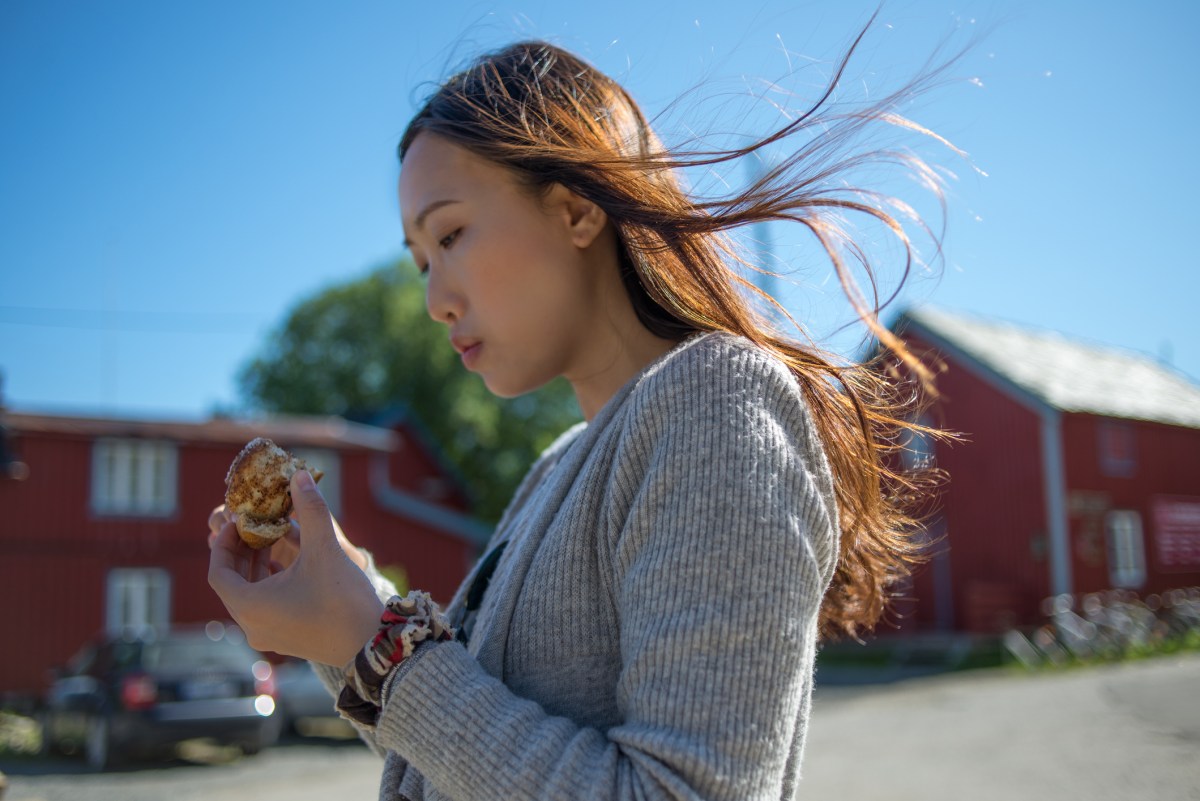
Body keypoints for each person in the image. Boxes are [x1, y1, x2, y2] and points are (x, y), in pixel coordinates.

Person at [208, 31, 950, 801]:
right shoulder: (557, 464)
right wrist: (339, 611)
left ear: (576, 209)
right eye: (421, 261)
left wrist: (378, 645)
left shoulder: (718, 401)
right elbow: (457, 755)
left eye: (452, 235)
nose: (434, 300)